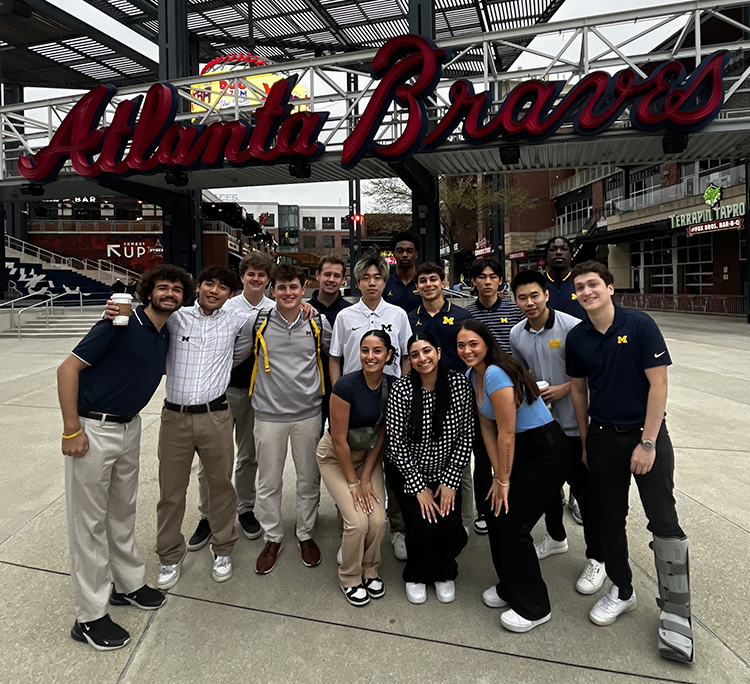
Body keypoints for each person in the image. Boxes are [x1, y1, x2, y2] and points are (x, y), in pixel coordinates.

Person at [57, 265, 191, 650]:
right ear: (148, 292)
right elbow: (67, 369)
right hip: (93, 428)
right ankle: (89, 615)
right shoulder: (118, 323)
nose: (170, 294)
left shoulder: (165, 332)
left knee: (122, 511)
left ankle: (127, 585)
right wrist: (71, 429)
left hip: (128, 427)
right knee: (88, 523)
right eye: (162, 288)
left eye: (177, 290)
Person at [566, 261, 693, 663]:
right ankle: (622, 590)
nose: (586, 292)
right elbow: (579, 393)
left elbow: (659, 385)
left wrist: (649, 443)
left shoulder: (639, 325)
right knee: (607, 519)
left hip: (646, 435)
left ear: (610, 287)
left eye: (593, 285)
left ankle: (676, 610)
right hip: (603, 439)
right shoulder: (577, 338)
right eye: (580, 287)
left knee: (663, 519)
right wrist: (586, 441)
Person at [457, 320, 573, 633]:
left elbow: (507, 431)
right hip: (520, 451)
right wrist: (497, 475)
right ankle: (509, 586)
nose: (467, 351)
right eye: (461, 345)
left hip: (545, 450)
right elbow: (487, 427)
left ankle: (535, 606)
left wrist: (504, 481)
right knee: (497, 514)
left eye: (473, 344)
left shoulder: (496, 373)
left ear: (486, 344)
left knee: (511, 523)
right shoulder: (474, 375)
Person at [509, 270, 606, 596]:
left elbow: (597, 373)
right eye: (522, 297)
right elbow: (524, 372)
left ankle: (598, 557)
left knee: (588, 494)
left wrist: (567, 388)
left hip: (576, 425)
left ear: (546, 295)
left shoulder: (573, 328)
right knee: (548, 491)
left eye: (534, 295)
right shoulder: (516, 334)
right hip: (543, 427)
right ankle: (555, 537)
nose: (529, 302)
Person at [246, 264, 333, 575]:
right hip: (269, 415)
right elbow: (237, 352)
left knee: (309, 479)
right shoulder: (259, 321)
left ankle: (306, 534)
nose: (288, 293)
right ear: (273, 291)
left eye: (293, 287)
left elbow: (333, 355)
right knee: (268, 480)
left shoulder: (317, 322)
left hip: (308, 413)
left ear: (303, 288)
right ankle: (272, 536)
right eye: (281, 288)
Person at [190, 252, 276, 552]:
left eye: (261, 275)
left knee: (249, 455)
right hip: (223, 390)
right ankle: (207, 514)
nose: (256, 279)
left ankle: (244, 508)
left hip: (258, 393)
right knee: (212, 459)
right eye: (250, 274)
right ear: (242, 277)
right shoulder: (226, 306)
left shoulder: (277, 308)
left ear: (268, 280)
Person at [330, 256, 412, 561]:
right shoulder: (346, 316)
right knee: (350, 464)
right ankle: (349, 531)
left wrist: (402, 391)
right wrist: (338, 395)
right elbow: (335, 357)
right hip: (354, 402)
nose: (372, 282)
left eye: (378, 277)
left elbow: (405, 357)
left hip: (389, 398)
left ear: (385, 280)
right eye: (366, 278)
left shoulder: (398, 314)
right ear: (358, 281)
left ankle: (398, 529)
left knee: (393, 468)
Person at [385, 332, 473, 605]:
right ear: (409, 360)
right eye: (414, 354)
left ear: (437, 352)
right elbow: (395, 442)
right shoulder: (402, 389)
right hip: (409, 472)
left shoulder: (459, 385)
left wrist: (449, 481)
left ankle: (445, 572)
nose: (422, 358)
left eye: (426, 351)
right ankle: (417, 574)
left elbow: (465, 435)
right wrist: (419, 487)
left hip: (446, 471)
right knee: (422, 528)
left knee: (451, 530)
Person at [317, 330, 394, 606]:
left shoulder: (392, 386)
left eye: (376, 351)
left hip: (368, 457)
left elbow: (381, 433)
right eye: (364, 350)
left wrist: (366, 476)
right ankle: (350, 576)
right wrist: (353, 482)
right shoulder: (345, 386)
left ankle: (370, 568)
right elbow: (338, 440)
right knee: (357, 521)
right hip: (336, 458)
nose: (369, 356)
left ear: (388, 355)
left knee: (378, 519)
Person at [409, 261, 474, 533]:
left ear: (443, 281)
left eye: (433, 279)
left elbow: (472, 354)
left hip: (457, 394)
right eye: (422, 280)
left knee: (460, 458)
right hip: (422, 394)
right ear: (417, 287)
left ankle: (465, 519)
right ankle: (424, 517)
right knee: (425, 454)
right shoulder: (410, 317)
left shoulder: (461, 316)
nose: (428, 285)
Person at [309, 255, 352, 434]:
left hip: (340, 385)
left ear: (343, 280)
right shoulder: (301, 309)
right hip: (309, 388)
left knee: (340, 440)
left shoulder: (350, 313)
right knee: (310, 444)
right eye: (327, 274)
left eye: (336, 276)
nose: (331, 280)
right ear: (318, 275)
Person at [466, 257, 523, 355]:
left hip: (510, 368)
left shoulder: (516, 311)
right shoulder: (466, 314)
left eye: (493, 277)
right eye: (482, 277)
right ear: (474, 281)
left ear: (500, 280)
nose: (487, 282)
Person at [545, 236, 587, 319]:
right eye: (553, 250)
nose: (558, 253)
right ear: (546, 257)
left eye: (564, 249)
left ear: (571, 256)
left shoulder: (583, 283)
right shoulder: (538, 284)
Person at [383, 231, 422, 313]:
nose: (404, 254)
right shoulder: (385, 284)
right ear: (394, 254)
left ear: (416, 254)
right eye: (400, 251)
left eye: (409, 251)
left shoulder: (424, 283)